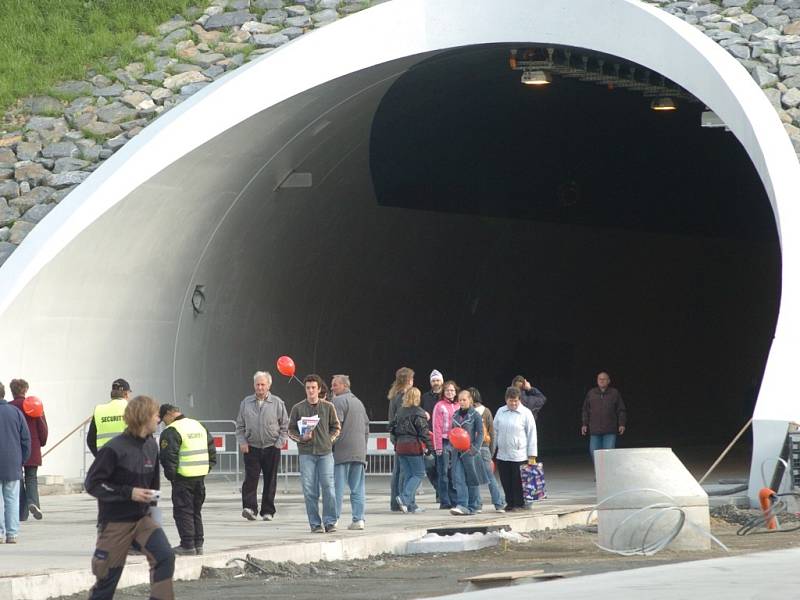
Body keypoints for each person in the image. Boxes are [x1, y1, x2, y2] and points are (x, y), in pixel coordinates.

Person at [84, 395, 174, 600]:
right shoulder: (113, 449)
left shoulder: (152, 446)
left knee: (165, 557)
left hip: (143, 520)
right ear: (143, 417)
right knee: (107, 578)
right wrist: (128, 492)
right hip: (115, 522)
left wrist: (153, 509)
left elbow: (154, 484)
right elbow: (92, 484)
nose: (158, 419)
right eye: (155, 415)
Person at [158, 404, 216, 555]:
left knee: (183, 512)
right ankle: (198, 544)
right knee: (196, 511)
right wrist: (205, 469)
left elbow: (167, 457)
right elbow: (211, 450)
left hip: (182, 478)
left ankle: (187, 545)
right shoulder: (198, 425)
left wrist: (172, 477)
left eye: (164, 420)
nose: (164, 423)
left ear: (168, 415)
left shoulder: (172, 430)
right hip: (200, 477)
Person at [288, 374, 341, 533]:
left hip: (325, 453)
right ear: (305, 389)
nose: (310, 390)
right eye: (308, 388)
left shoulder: (328, 407)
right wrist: (301, 438)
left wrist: (328, 440)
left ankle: (330, 521)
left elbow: (336, 427)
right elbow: (290, 430)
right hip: (306, 453)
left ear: (319, 389)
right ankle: (315, 523)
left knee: (328, 487)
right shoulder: (298, 408)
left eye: (313, 388)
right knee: (309, 489)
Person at [235, 371, 289, 522]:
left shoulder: (278, 403)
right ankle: (250, 508)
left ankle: (268, 511)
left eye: (262, 384)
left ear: (269, 385)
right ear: (254, 385)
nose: (259, 387)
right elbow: (239, 426)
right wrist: (243, 442)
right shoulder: (246, 402)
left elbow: (285, 425)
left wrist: (279, 443)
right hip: (252, 447)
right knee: (250, 479)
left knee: (270, 480)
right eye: (257, 384)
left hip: (272, 446)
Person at [330, 374, 370, 530]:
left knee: (337, 488)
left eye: (335, 385)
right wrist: (363, 448)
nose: (332, 388)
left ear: (344, 386)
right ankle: (359, 519)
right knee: (358, 487)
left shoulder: (338, 401)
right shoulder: (359, 402)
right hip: (359, 452)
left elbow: (336, 426)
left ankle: (333, 519)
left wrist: (328, 443)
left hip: (342, 451)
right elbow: (367, 427)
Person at [389, 387, 434, 514]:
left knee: (409, 475)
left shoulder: (400, 411)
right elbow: (424, 433)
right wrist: (430, 449)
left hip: (400, 447)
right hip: (413, 446)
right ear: (417, 398)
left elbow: (391, 427)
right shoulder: (419, 412)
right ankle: (404, 498)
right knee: (419, 473)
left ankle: (411, 506)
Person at [493, 386, 537, 511]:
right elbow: (495, 431)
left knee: (517, 481)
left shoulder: (526, 413)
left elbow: (532, 434)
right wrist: (493, 450)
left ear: (519, 400)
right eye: (510, 400)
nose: (513, 403)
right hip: (503, 453)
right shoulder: (500, 411)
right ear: (506, 399)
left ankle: (519, 503)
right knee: (505, 480)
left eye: (515, 401)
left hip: (519, 454)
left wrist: (532, 455)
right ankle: (510, 503)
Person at [9, 378, 48, 521]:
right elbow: (43, 430)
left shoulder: (9, 407)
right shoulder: (35, 406)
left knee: (18, 479)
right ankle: (33, 503)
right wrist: (41, 443)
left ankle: (21, 513)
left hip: (14, 450)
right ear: (25, 390)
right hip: (33, 449)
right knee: (31, 478)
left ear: (12, 391)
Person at [0, 381, 31, 544]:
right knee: (12, 499)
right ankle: (12, 534)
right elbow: (26, 440)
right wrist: (21, 460)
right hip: (13, 463)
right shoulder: (16, 413)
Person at [449, 389, 486, 516]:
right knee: (459, 478)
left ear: (470, 400)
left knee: (472, 479)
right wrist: (452, 445)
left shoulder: (475, 415)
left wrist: (475, 448)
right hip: (457, 452)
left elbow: (481, 433)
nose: (462, 402)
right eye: (460, 400)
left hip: (470, 452)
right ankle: (462, 505)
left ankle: (474, 505)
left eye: (464, 400)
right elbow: (452, 432)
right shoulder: (454, 415)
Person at [469, 387, 505, 512]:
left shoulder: (467, 412)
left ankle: (476, 505)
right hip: (484, 446)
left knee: (474, 478)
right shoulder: (487, 411)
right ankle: (499, 504)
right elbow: (492, 432)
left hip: (471, 447)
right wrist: (491, 451)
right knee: (490, 478)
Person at [581, 372, 627, 462]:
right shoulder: (591, 393)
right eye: (599, 379)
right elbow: (585, 410)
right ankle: (599, 474)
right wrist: (584, 424)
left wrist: (622, 424)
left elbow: (621, 410)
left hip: (610, 430)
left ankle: (607, 474)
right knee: (594, 452)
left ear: (608, 381)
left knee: (609, 454)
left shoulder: (614, 393)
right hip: (595, 430)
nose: (601, 381)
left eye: (604, 379)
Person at [386, 367, 414, 511]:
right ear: (409, 380)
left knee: (397, 471)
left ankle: (394, 503)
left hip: (396, 436)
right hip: (406, 437)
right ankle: (405, 502)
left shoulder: (394, 395)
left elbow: (392, 418)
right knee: (406, 470)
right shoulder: (406, 396)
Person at [432, 380, 460, 509]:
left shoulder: (459, 405)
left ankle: (455, 499)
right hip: (443, 441)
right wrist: (438, 446)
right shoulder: (439, 405)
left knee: (453, 472)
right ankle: (444, 501)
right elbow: (436, 427)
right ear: (444, 392)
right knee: (443, 472)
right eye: (448, 390)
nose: (450, 392)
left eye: (452, 390)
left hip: (455, 442)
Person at [87, 378, 131, 457]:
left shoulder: (99, 410)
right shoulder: (131, 408)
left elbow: (90, 440)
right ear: (126, 394)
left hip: (105, 461)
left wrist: (100, 458)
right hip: (126, 461)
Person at [421, 370, 443, 495]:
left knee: (442, 468)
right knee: (429, 467)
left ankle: (441, 495)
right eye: (433, 380)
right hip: (428, 437)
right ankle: (439, 490)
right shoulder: (425, 397)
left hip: (443, 437)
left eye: (438, 380)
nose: (436, 382)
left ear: (442, 381)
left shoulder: (445, 396)